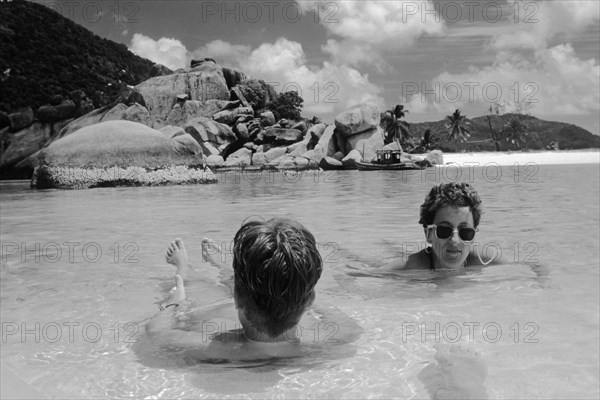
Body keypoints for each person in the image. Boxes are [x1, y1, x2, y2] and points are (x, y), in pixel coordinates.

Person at [146, 217, 362, 361]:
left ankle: (185, 271)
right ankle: (224, 268)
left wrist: (174, 300)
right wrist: (302, 290)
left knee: (203, 292)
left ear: (236, 298)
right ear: (309, 301)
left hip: (239, 301)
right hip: (279, 300)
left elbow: (157, 331)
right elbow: (349, 326)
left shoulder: (219, 347)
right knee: (258, 286)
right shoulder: (332, 339)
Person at [383, 182, 498, 270]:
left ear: (474, 236)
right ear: (428, 234)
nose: (455, 241)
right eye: (444, 231)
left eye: (465, 232)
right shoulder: (411, 267)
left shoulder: (489, 261)